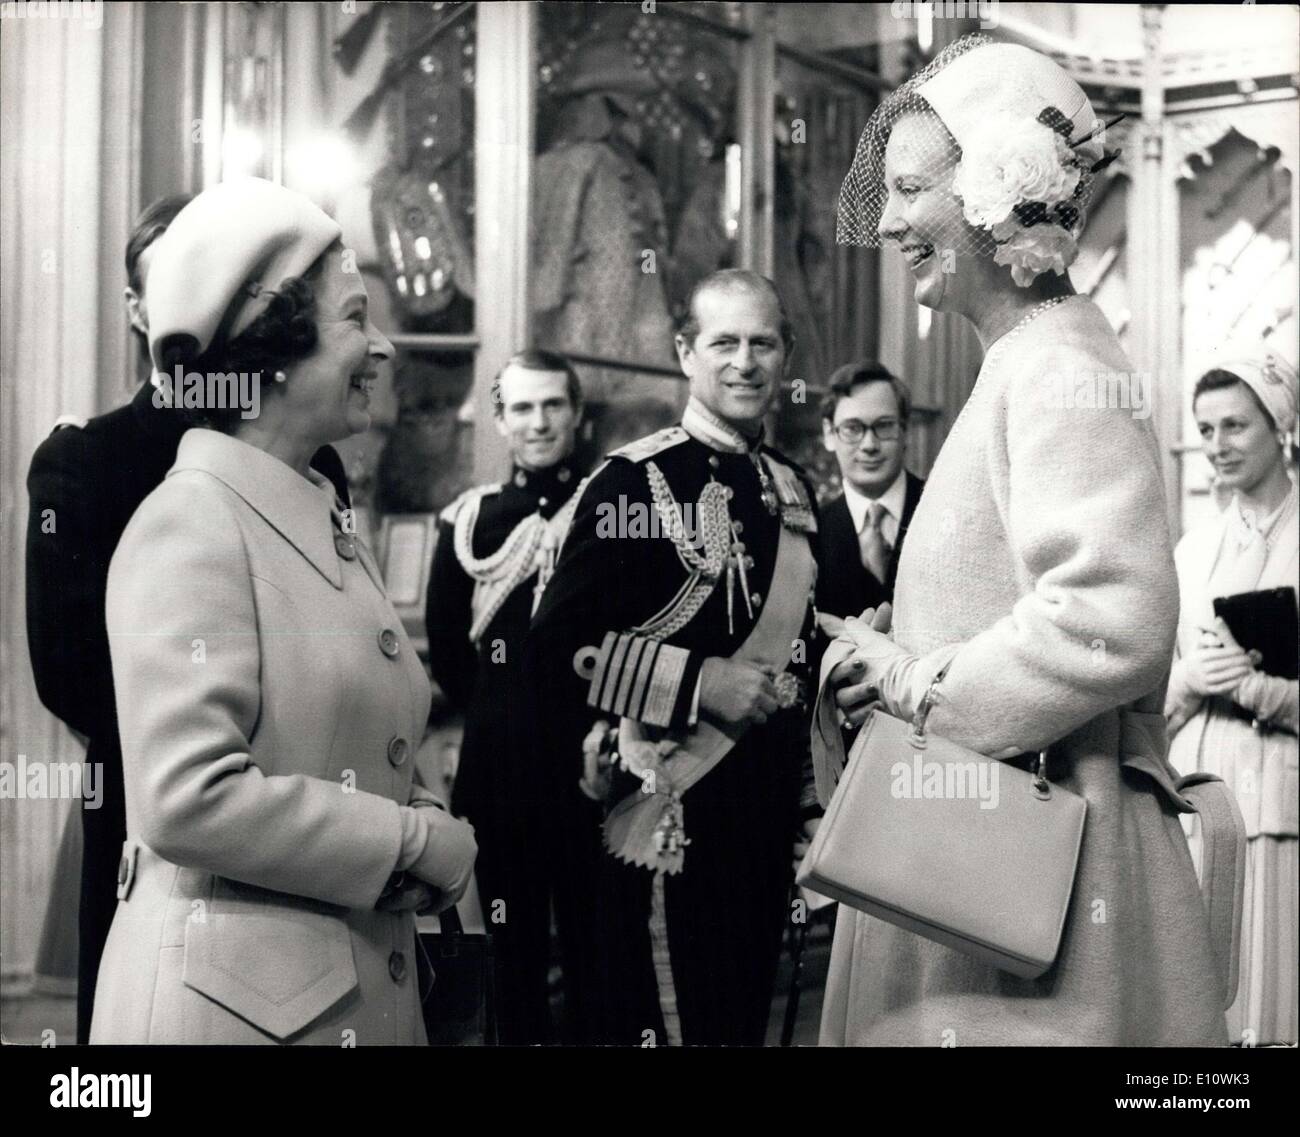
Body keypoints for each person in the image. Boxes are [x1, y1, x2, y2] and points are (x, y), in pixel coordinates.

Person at [819, 34, 1226, 1045]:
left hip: (1041, 878)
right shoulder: (1023, 362)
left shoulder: (1052, 365)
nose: (890, 219)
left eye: (913, 189)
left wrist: (918, 684)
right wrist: (893, 660)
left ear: (993, 189)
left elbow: (1111, 619)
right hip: (996, 853)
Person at [89, 177, 477, 1044]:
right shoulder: (191, 521)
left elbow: (351, 740)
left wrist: (427, 815)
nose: (381, 346)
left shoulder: (314, 510)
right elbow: (187, 797)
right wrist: (410, 843)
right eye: (353, 319)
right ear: (272, 350)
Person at [24, 193, 353, 1044]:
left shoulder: (313, 464)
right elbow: (68, 669)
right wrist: (214, 739)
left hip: (303, 805)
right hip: (150, 800)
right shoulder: (86, 459)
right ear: (141, 309)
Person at [527, 268, 822, 1046]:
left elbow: (812, 637)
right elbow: (557, 648)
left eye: (763, 343)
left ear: (785, 356)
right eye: (723, 342)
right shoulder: (636, 482)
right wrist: (698, 681)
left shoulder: (791, 491)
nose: (745, 362)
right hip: (671, 817)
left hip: (764, 822)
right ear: (685, 351)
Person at [425, 348, 602, 1044]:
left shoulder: (606, 509)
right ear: (500, 420)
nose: (539, 421)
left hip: (595, 771)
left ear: (578, 413)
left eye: (553, 404)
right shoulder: (468, 523)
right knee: (510, 954)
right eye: (522, 407)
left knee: (598, 954)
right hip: (501, 774)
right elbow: (448, 654)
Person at [1167, 350, 1298, 1046]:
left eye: (1236, 426)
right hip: (1202, 809)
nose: (1218, 445)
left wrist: (1255, 688)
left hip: (1285, 812)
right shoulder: (1192, 551)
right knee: (1207, 1017)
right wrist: (1190, 680)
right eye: (1206, 428)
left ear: (1282, 427)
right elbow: (1149, 699)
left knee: (1276, 1005)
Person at [816, 360, 925, 625]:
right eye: (852, 428)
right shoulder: (812, 529)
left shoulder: (941, 508)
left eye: (884, 426)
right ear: (830, 434)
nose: (869, 445)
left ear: (905, 430)